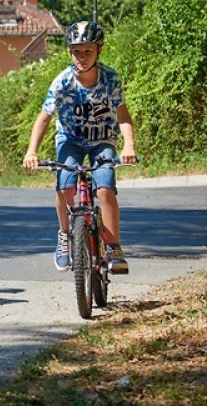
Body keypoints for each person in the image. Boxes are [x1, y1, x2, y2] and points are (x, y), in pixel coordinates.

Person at [22, 21, 136, 274]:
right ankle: (64, 236)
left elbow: (124, 116)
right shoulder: (62, 82)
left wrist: (128, 145)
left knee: (105, 189)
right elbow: (44, 118)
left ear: (99, 51)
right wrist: (32, 151)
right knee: (66, 185)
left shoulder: (111, 78)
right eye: (76, 51)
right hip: (70, 141)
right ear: (69, 52)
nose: (82, 57)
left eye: (88, 51)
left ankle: (114, 247)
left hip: (103, 140)